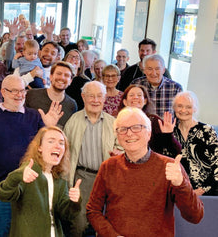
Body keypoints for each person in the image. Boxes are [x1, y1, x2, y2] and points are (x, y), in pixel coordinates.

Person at [86, 107, 204, 236]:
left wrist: (181, 184)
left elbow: (195, 216)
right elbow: (93, 211)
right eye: (122, 129)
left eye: (136, 127)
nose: (129, 134)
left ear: (149, 133)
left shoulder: (170, 166)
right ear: (117, 137)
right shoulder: (108, 166)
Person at [0, 75, 61, 236]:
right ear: (3, 92)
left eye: (22, 91)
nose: (19, 95)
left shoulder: (34, 116)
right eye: (14, 91)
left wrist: (48, 128)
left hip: (29, 188)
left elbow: (45, 148)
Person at [0, 126, 81, 237]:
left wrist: (74, 201)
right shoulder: (28, 169)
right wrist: (17, 176)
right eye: (51, 141)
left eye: (61, 143)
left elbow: (66, 214)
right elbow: (3, 194)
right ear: (39, 147)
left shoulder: (59, 177)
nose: (57, 146)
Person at [63, 81, 121, 237]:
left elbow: (122, 147)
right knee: (79, 222)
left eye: (99, 96)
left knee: (104, 221)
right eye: (91, 96)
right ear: (83, 97)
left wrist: (119, 154)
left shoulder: (113, 122)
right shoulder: (74, 120)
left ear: (105, 98)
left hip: (107, 178)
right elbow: (65, 150)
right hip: (82, 177)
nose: (95, 100)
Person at [173, 91, 218, 196]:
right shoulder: (170, 131)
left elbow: (216, 164)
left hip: (206, 192)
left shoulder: (207, 130)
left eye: (188, 107)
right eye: (179, 106)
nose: (183, 110)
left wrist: (203, 190)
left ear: (195, 109)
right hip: (178, 191)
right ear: (174, 108)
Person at [118, 84, 182, 158]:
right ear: (125, 102)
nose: (135, 97)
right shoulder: (119, 122)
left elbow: (176, 150)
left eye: (139, 95)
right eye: (131, 95)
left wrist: (168, 135)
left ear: (145, 101)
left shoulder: (154, 121)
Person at [25, 61, 78, 127]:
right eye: (59, 73)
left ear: (70, 81)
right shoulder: (31, 95)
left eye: (66, 75)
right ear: (51, 76)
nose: (62, 78)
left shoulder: (72, 105)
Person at [131, 54, 182, 119]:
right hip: (140, 127)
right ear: (144, 70)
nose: (153, 73)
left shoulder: (175, 88)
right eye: (149, 69)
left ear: (163, 70)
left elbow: (179, 114)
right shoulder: (136, 84)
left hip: (166, 128)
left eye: (157, 69)